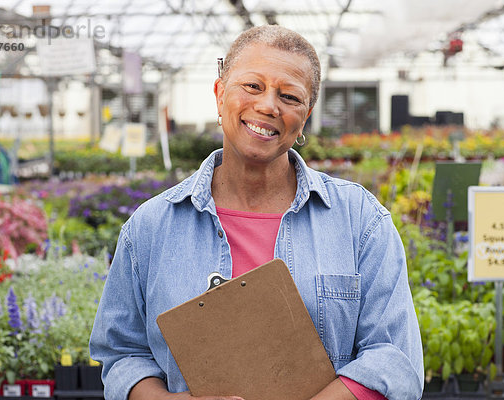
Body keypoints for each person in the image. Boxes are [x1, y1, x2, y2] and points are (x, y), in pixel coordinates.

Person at [90, 25, 424, 400]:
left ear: (305, 116)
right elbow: (122, 354)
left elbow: (395, 359)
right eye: (252, 86)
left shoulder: (359, 221)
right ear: (219, 95)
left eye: (289, 96)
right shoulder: (151, 228)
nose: (268, 105)